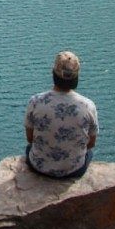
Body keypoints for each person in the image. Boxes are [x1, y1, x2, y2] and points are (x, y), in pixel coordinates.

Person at [24, 50, 98, 179]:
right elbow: (91, 143)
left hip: (40, 167)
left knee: (28, 148)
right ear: (76, 78)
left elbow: (30, 139)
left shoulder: (35, 101)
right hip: (74, 169)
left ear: (54, 74)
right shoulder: (88, 106)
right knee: (89, 153)